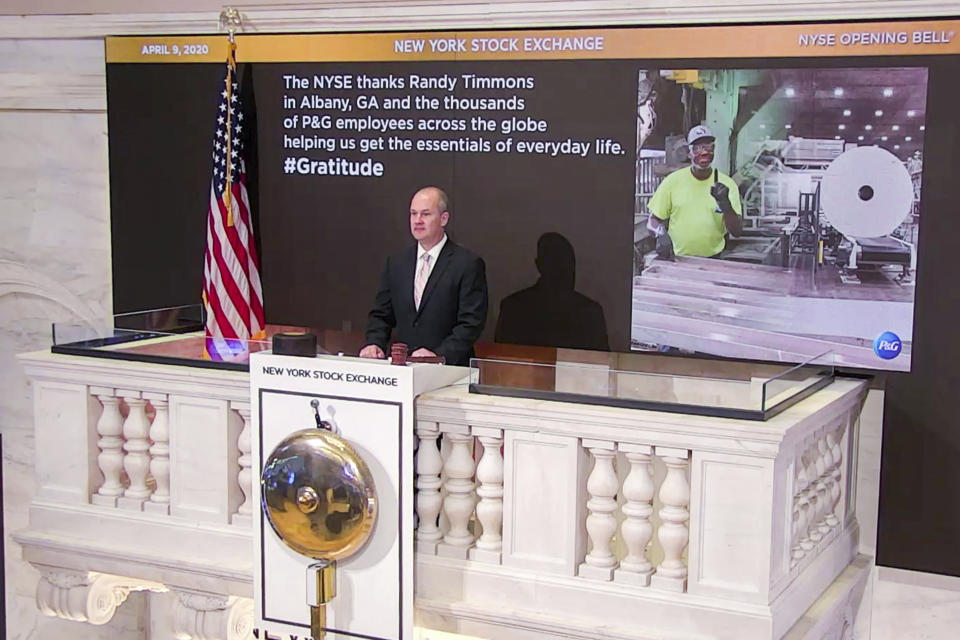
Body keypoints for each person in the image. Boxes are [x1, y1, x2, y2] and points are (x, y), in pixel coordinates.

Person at [359, 186, 488, 366]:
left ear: (444, 219)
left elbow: (471, 323)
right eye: (413, 214)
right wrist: (374, 342)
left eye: (425, 214)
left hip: (449, 372)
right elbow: (381, 315)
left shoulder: (467, 263)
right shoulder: (396, 263)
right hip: (402, 370)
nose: (417, 220)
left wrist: (438, 355)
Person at [646, 124, 743, 258]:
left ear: (713, 150)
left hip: (713, 261)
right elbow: (652, 221)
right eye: (696, 148)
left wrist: (725, 205)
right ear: (688, 153)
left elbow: (737, 231)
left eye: (708, 147)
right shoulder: (672, 182)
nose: (703, 153)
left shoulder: (727, 185)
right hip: (678, 260)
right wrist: (660, 232)